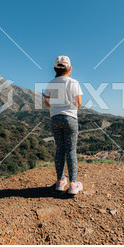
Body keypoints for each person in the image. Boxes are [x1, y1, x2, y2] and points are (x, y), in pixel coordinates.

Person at [44, 55, 83, 194]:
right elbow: (78, 103)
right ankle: (73, 184)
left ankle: (60, 182)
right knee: (71, 150)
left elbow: (47, 102)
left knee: (60, 149)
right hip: (70, 118)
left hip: (55, 117)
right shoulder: (74, 83)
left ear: (55, 69)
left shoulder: (50, 83)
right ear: (70, 69)